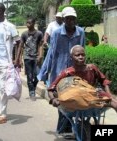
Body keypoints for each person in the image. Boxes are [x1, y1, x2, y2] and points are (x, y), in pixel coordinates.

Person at [37, 7, 86, 136]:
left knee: (73, 99)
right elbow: (52, 54)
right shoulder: (57, 33)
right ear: (64, 20)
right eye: (68, 19)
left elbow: (82, 51)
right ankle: (65, 128)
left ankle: (66, 128)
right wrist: (44, 72)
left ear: (75, 19)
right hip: (59, 71)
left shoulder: (80, 32)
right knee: (62, 100)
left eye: (73, 19)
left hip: (75, 72)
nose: (70, 21)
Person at [48, 45, 117, 120]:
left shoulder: (91, 68)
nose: (81, 57)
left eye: (83, 55)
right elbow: (51, 89)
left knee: (115, 103)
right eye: (77, 55)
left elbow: (104, 80)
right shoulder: (67, 72)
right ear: (71, 57)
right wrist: (53, 99)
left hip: (92, 97)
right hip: (76, 100)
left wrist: (109, 93)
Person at [15, 17, 43, 100]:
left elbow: (40, 45)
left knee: (38, 75)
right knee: (30, 76)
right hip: (27, 57)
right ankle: (32, 93)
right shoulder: (24, 34)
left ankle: (33, 87)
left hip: (36, 57)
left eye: (30, 23)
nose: (28, 25)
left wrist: (40, 55)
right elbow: (20, 46)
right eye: (27, 23)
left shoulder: (39, 34)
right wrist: (17, 59)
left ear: (34, 23)